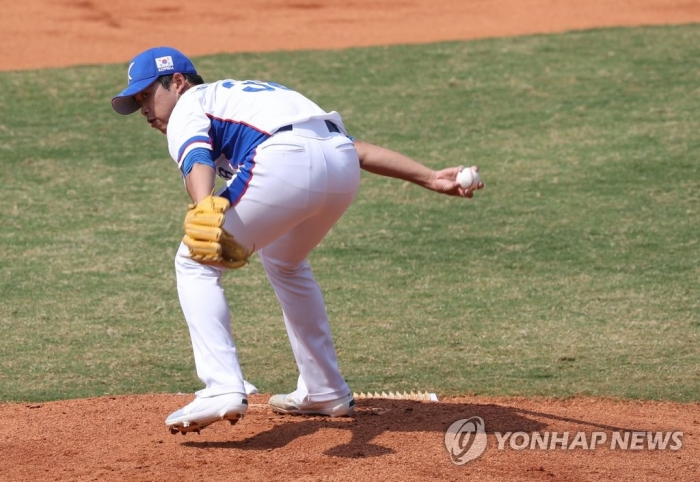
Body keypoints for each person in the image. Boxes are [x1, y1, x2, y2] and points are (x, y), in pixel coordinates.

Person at [111, 46, 483, 435]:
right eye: (137, 102)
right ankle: (324, 390)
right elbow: (353, 150)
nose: (144, 110)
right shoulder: (245, 95)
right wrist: (427, 176)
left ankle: (221, 388)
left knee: (194, 260)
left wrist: (204, 206)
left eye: (146, 95)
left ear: (177, 82)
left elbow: (196, 158)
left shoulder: (191, 104)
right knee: (285, 261)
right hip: (338, 167)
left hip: (283, 160)